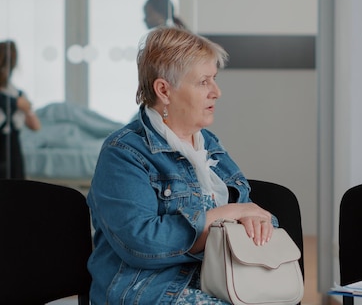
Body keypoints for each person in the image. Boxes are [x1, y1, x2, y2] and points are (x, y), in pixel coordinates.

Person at [87, 27, 276, 304]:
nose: (217, 92)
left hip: (222, 281)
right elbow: (142, 243)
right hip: (150, 292)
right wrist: (230, 214)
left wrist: (251, 219)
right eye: (203, 82)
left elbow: (258, 219)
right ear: (164, 90)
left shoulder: (209, 144)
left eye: (215, 79)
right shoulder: (123, 152)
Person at [0, 40, 41, 179]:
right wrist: (16, 103)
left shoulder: (18, 94)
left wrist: (26, 108)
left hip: (13, 146)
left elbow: (35, 126)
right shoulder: (17, 97)